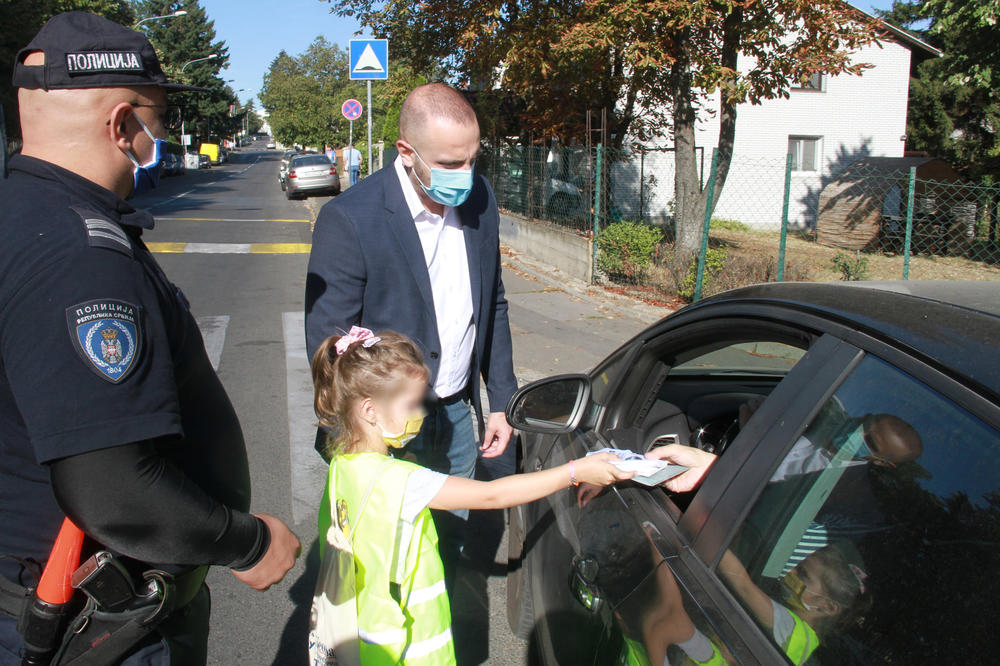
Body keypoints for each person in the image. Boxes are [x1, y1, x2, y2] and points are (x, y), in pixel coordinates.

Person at [0, 12, 300, 664]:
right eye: (158, 116)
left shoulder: (26, 217)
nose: (160, 133)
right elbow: (111, 486)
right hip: (98, 623)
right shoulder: (79, 254)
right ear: (120, 125)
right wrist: (245, 541)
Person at [309, 327, 632, 664]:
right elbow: (492, 495)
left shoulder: (343, 468)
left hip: (359, 640)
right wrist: (575, 471)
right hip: (407, 649)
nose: (421, 414)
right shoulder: (399, 481)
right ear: (369, 411)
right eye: (412, 404)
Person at [306, 83, 518, 579]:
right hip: (388, 425)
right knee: (382, 555)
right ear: (406, 152)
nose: (465, 177)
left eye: (472, 160)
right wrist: (366, 429)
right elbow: (331, 341)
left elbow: (494, 302)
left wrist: (502, 400)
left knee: (447, 542)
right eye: (449, 164)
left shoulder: (479, 199)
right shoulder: (350, 218)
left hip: (457, 412)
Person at [718, 545, 870, 665]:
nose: (791, 570)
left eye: (803, 574)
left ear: (828, 607)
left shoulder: (790, 628)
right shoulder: (806, 639)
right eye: (798, 565)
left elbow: (743, 586)